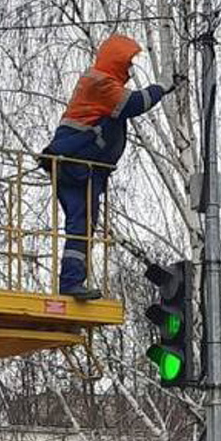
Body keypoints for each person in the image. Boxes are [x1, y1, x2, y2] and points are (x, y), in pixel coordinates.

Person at [41, 34, 180, 300]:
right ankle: (70, 283)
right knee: (81, 222)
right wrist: (161, 86)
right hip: (76, 161)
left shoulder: (99, 82)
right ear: (116, 60)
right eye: (127, 64)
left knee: (81, 224)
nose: (129, 71)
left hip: (76, 163)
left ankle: (72, 282)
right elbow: (134, 104)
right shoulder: (100, 83)